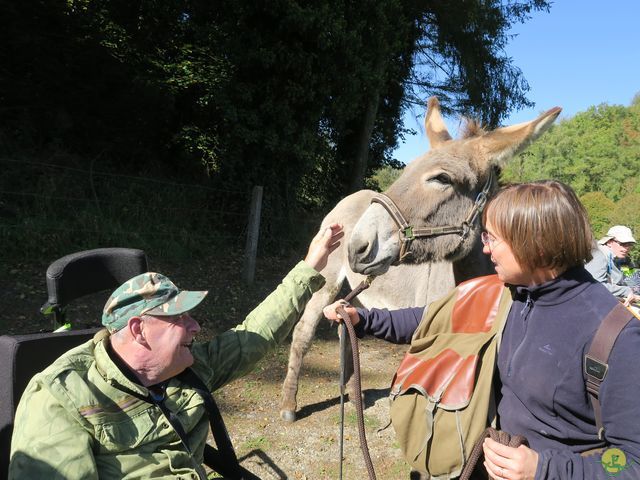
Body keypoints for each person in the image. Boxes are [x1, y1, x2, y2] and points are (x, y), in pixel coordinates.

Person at [325, 181, 640, 479]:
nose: (485, 249)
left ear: (537, 245)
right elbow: (430, 319)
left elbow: (630, 461)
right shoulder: (505, 293)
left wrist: (545, 469)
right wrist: (362, 320)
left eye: (493, 239)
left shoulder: (616, 337)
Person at [9, 223, 344, 479]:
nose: (196, 326)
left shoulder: (186, 366)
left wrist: (309, 267)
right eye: (179, 318)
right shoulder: (59, 400)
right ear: (139, 330)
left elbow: (253, 336)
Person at [585, 225, 640, 306]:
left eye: (630, 244)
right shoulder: (599, 254)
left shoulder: (613, 257)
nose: (627, 248)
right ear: (609, 242)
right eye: (623, 244)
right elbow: (595, 285)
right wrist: (626, 291)